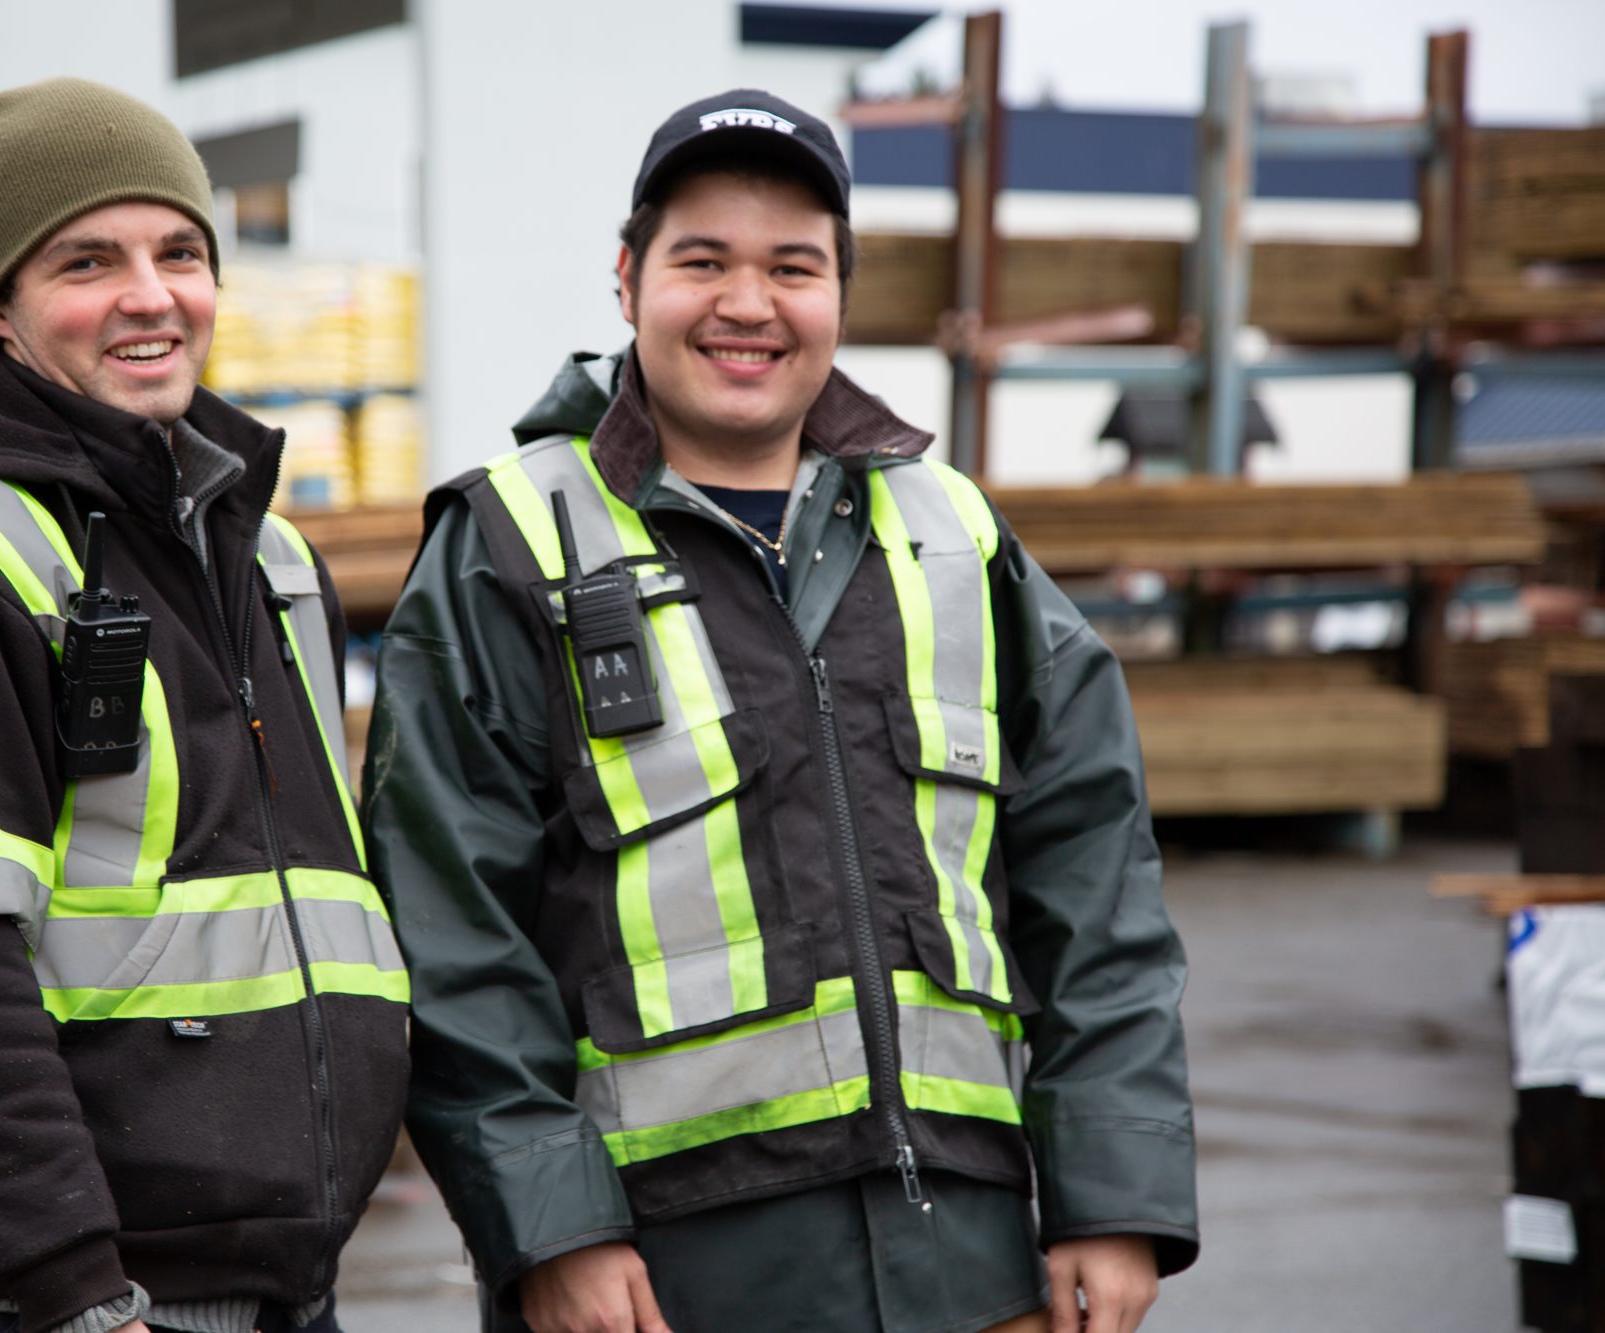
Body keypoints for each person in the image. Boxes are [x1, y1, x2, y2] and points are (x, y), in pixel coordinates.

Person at [363, 90, 1197, 1333]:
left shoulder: (953, 537)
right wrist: (550, 1229)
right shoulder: (509, 545)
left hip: (970, 1270)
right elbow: (449, 930)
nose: (746, 304)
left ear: (839, 296)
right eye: (701, 261)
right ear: (626, 280)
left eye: (791, 267)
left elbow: (1097, 886)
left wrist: (1110, 1194)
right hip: (661, 1281)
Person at [0, 78, 409, 1333]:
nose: (150, 295)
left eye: (179, 252)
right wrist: (81, 1293)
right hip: (60, 1304)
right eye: (87, 260)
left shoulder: (269, 560)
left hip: (282, 1292)